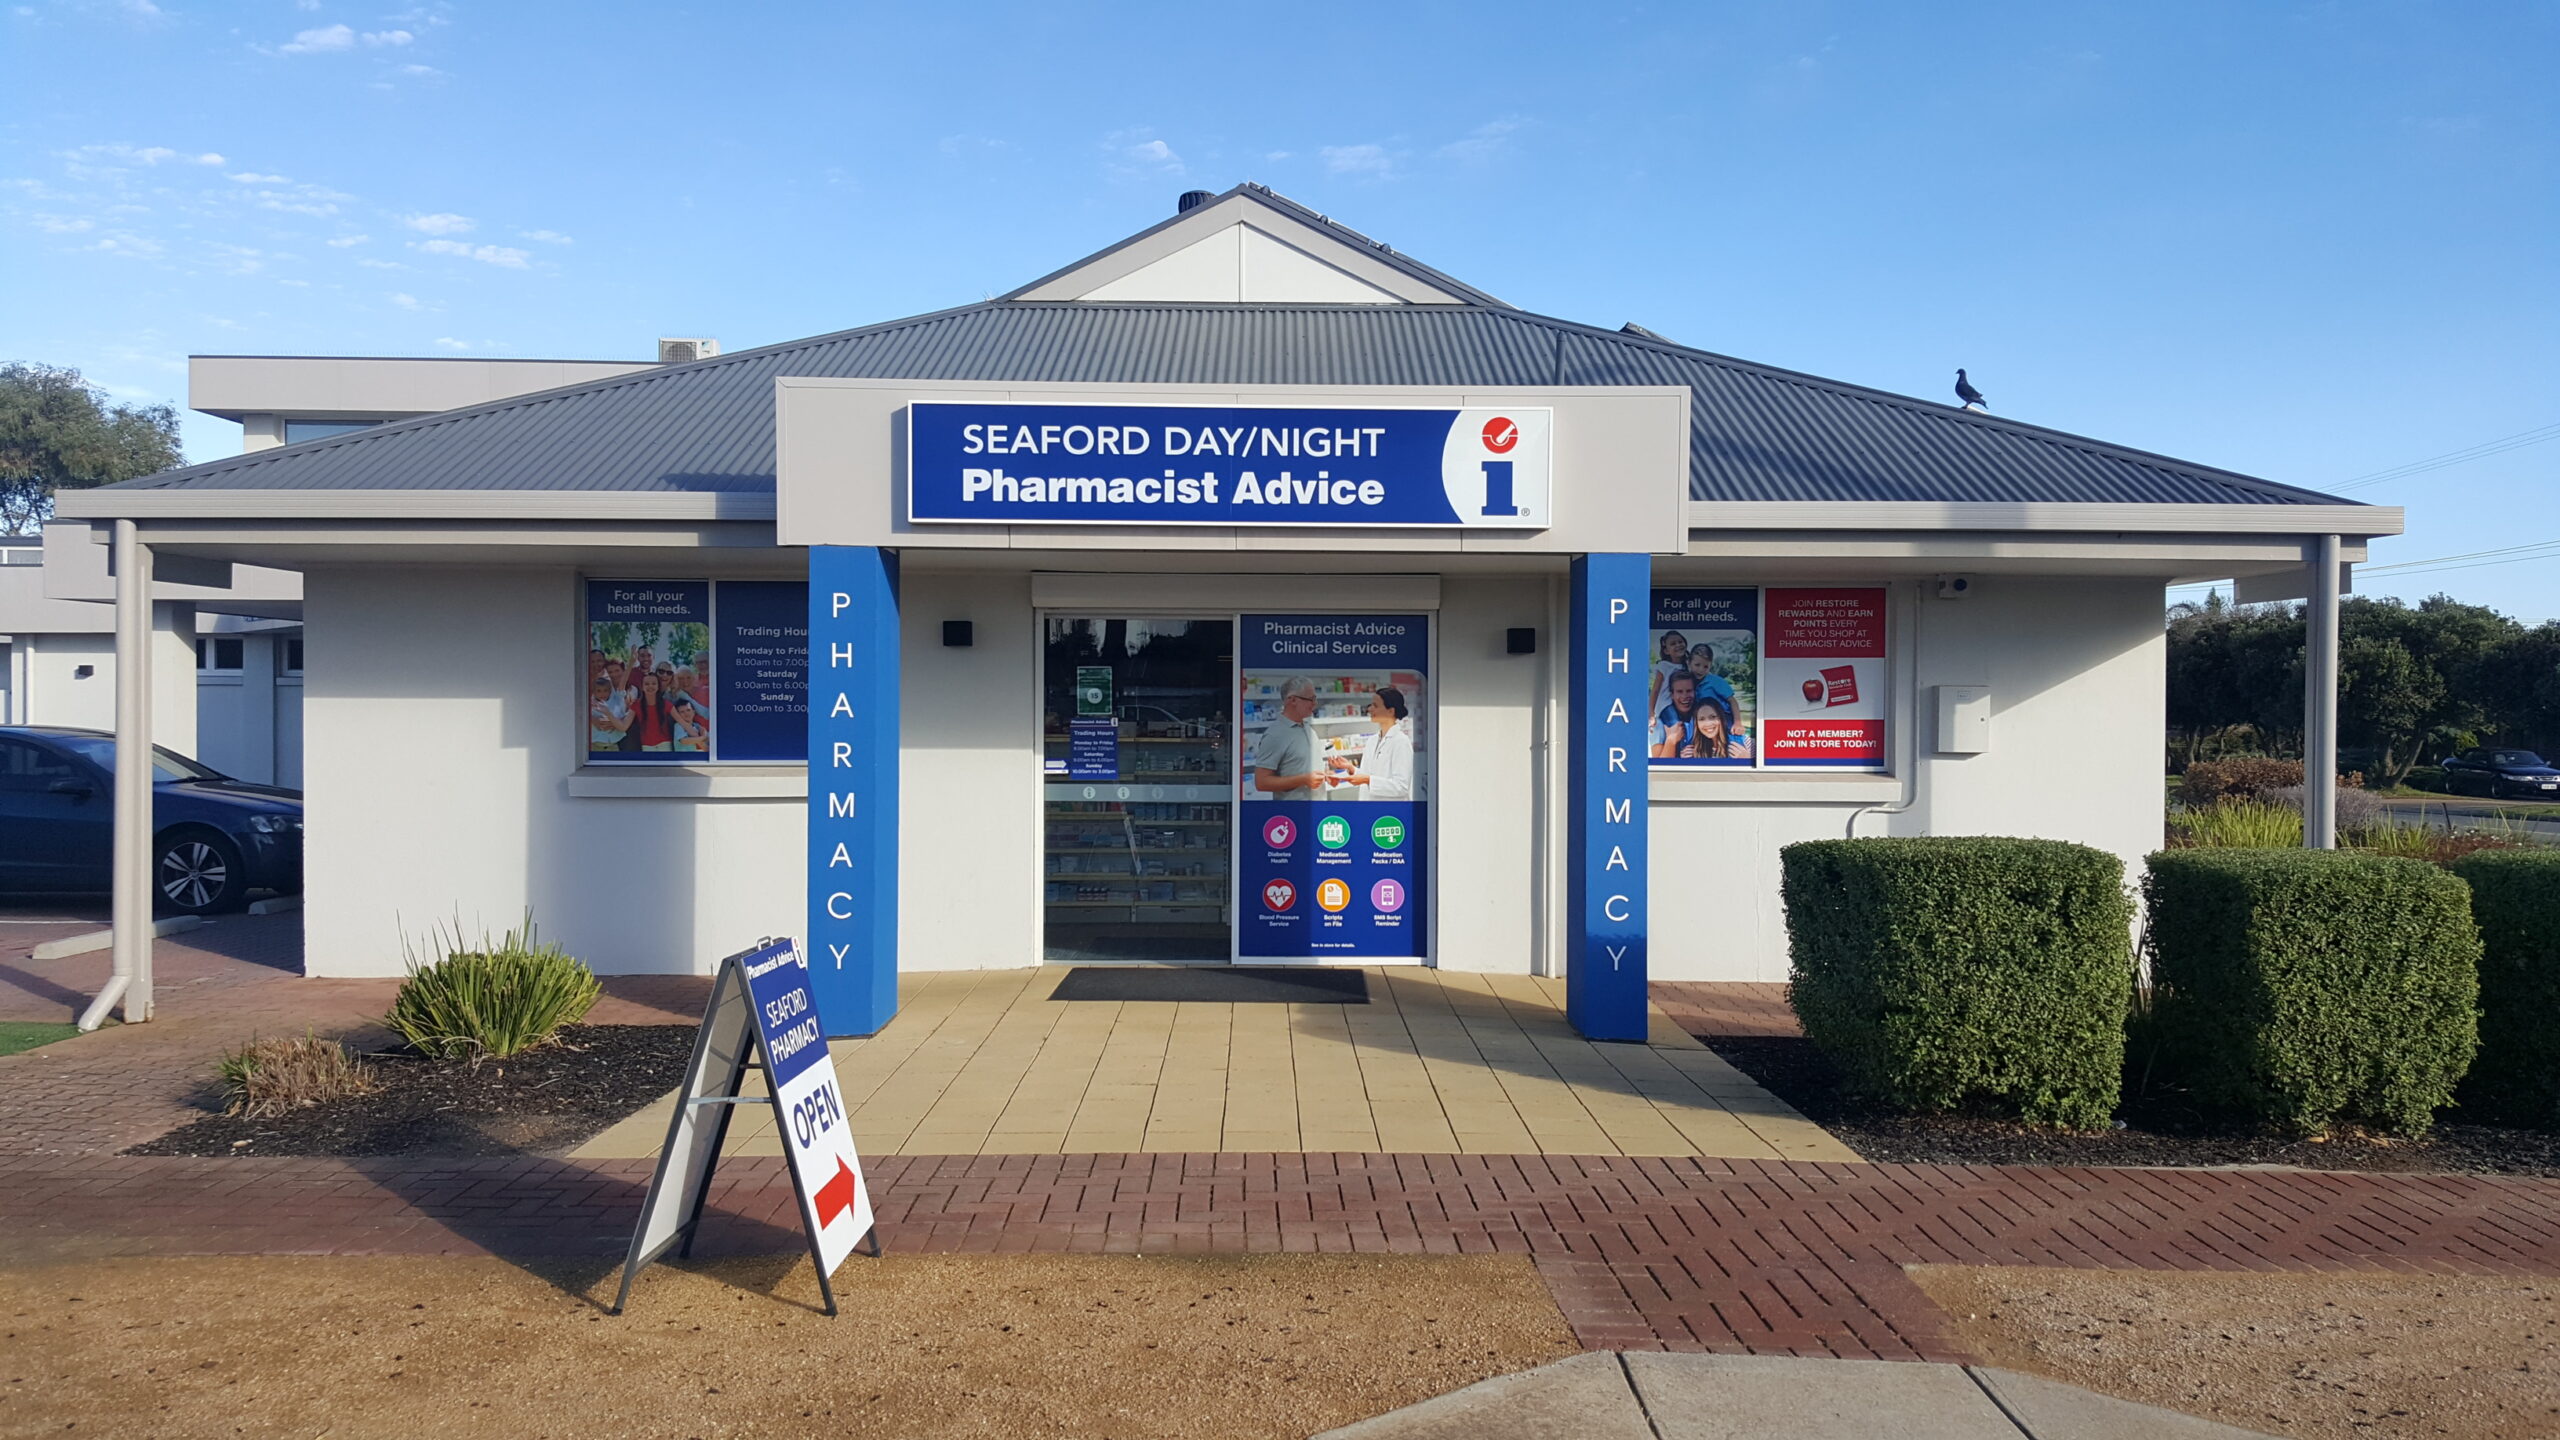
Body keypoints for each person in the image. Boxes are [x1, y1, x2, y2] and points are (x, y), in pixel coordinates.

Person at [1248, 676, 1327, 800]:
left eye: (1315, 698)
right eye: (1311, 699)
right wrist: (1304, 780)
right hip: (1292, 813)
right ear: (1293, 700)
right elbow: (1262, 782)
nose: (1315, 703)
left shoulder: (1308, 728)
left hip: (1317, 808)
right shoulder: (1275, 735)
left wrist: (1326, 776)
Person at [1329, 686, 1414, 800]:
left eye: (1375, 705)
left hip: (1390, 813)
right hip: (1369, 807)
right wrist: (1351, 768)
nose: (1370, 709)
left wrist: (1367, 780)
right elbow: (1367, 774)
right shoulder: (1372, 740)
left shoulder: (1401, 742)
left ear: (1390, 711)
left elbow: (1401, 786)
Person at [1684, 642, 1738, 737]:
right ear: (1689, 663)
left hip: (1724, 717)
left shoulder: (1715, 681)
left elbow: (1732, 701)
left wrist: (1738, 722)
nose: (1701, 670)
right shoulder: (1689, 682)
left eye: (1706, 667)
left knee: (1730, 737)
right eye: (1697, 665)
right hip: (1704, 718)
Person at [1651, 672, 1702, 759]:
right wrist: (1671, 740)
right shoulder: (1659, 724)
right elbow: (1659, 766)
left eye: (1689, 691)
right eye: (1679, 691)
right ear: (1672, 695)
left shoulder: (1704, 720)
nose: (1685, 696)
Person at [630, 669, 675, 753]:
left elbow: (683, 723)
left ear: (658, 686)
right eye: (647, 684)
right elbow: (623, 726)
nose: (650, 686)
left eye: (654, 683)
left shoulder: (666, 704)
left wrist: (700, 736)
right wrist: (607, 713)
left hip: (665, 745)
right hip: (647, 746)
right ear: (642, 687)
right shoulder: (636, 705)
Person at [588, 672, 632, 752]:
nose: (602, 693)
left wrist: (630, 665)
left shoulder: (616, 701)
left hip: (613, 744)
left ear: (610, 691)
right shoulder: (589, 704)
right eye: (599, 691)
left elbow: (622, 684)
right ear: (594, 692)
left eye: (605, 690)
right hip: (595, 745)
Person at [1650, 630, 1689, 715]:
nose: (1678, 645)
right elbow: (1655, 690)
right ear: (1666, 651)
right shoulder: (1664, 666)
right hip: (1666, 705)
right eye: (1673, 644)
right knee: (1675, 724)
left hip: (1682, 704)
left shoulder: (1687, 665)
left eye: (1680, 642)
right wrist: (1651, 712)